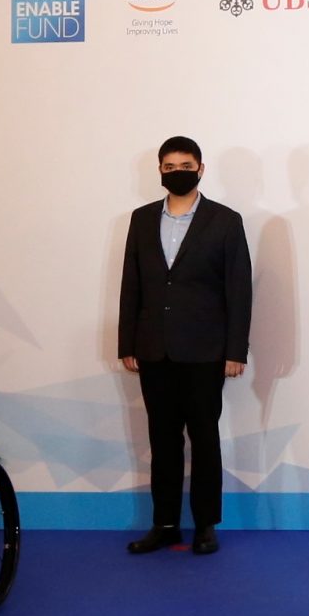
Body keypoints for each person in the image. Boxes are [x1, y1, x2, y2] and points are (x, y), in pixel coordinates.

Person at [118, 136, 253, 557]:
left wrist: (235, 351)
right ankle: (165, 524)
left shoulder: (225, 221)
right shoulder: (141, 220)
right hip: (153, 349)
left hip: (206, 352)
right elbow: (131, 284)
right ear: (159, 171)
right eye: (170, 166)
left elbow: (239, 289)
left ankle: (206, 525)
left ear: (201, 169)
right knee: (162, 440)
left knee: (204, 439)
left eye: (186, 164)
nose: (178, 172)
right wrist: (127, 342)